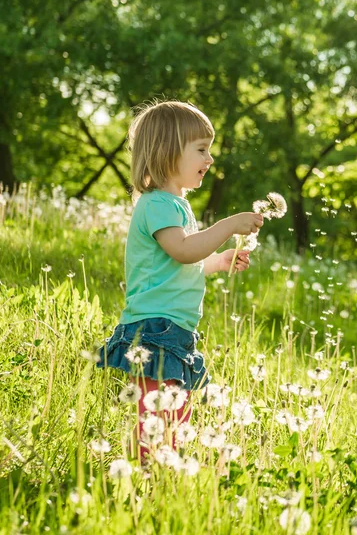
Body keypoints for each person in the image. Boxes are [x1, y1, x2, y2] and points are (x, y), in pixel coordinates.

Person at [97, 100, 264, 464]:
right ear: (168, 152)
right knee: (155, 418)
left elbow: (182, 264)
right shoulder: (157, 203)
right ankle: (144, 473)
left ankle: (157, 471)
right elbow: (183, 251)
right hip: (154, 327)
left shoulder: (176, 206)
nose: (211, 158)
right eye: (201, 149)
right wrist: (227, 226)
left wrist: (217, 261)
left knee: (174, 412)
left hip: (174, 329)